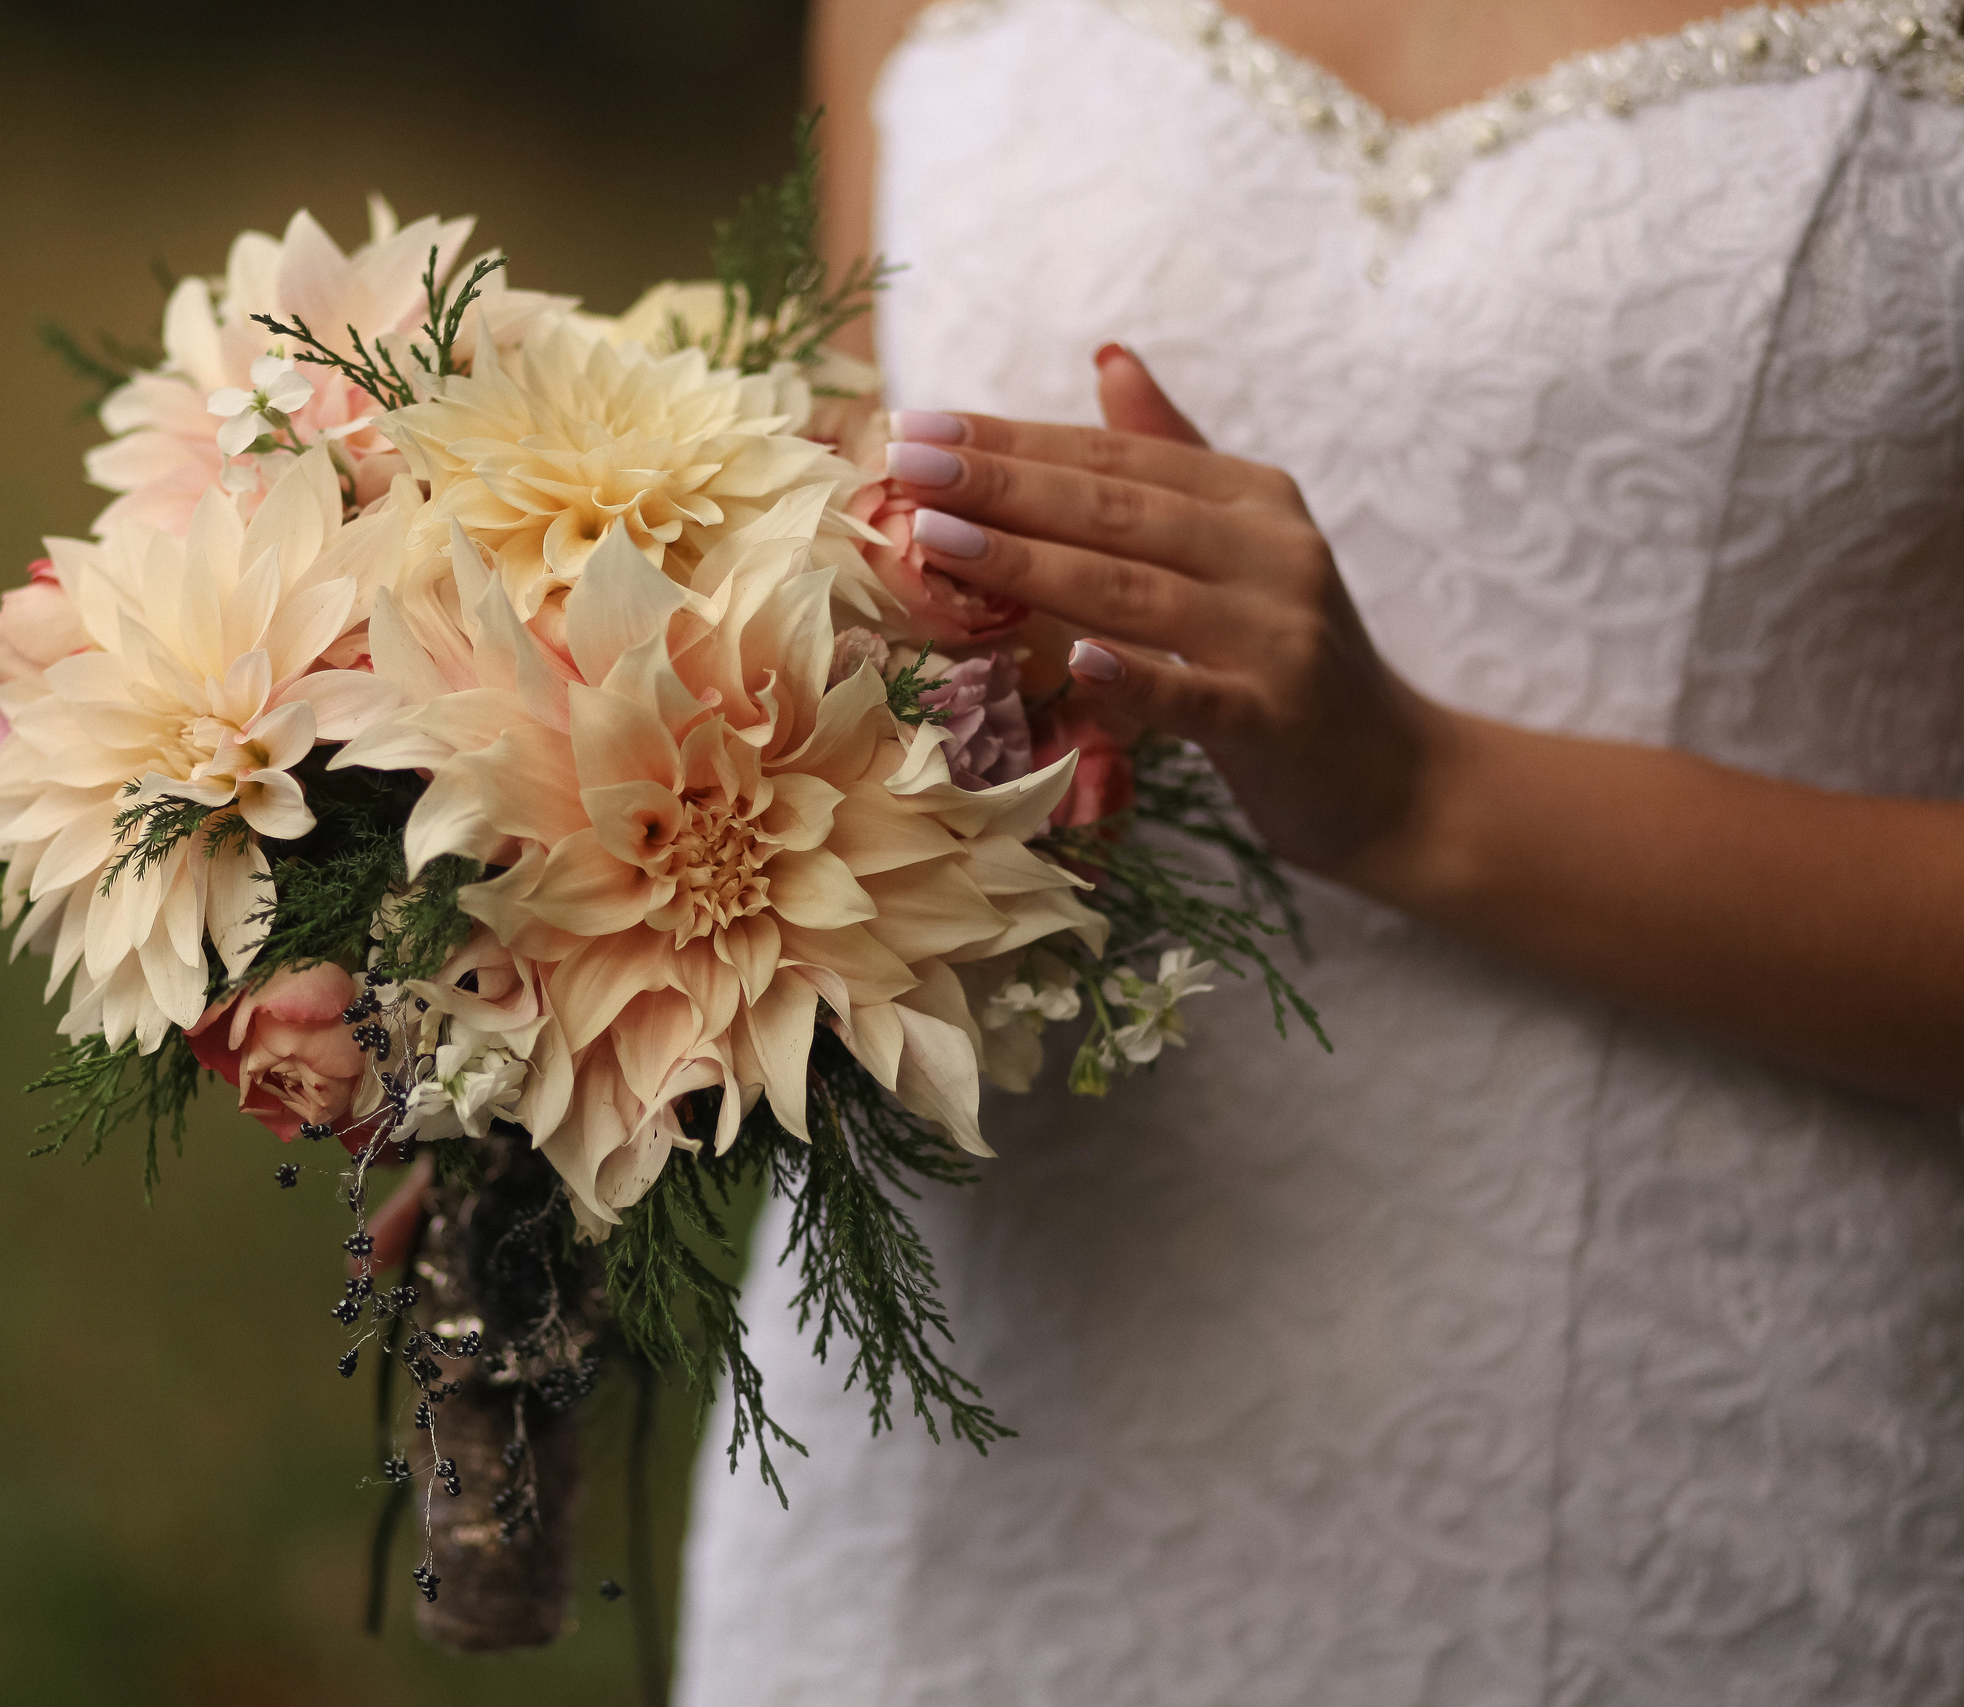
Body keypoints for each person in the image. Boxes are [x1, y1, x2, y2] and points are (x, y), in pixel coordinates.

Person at [675, 1, 1964, 1701]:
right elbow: (811, 567)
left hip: (1693, 1475)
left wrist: (1413, 791)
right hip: (951, 1471)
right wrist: (513, 952)